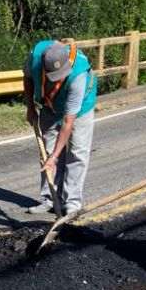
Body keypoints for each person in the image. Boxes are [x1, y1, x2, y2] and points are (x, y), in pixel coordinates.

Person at [23, 39, 98, 215]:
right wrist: (30, 108)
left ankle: (71, 202)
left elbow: (68, 122)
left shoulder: (77, 75)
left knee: (76, 152)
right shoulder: (35, 57)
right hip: (50, 104)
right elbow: (27, 79)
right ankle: (49, 198)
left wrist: (55, 157)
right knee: (47, 151)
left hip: (79, 109)